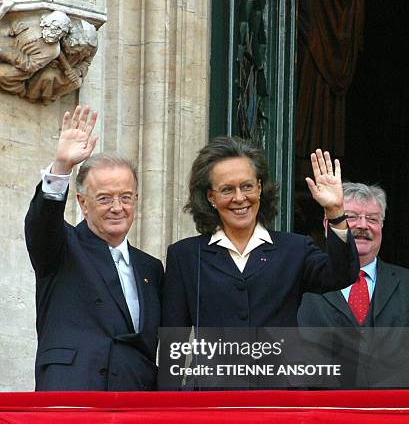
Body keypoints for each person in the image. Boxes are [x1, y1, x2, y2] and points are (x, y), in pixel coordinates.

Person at [25, 106, 163, 391]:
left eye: (126, 197)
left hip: (134, 400)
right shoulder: (61, 247)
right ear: (83, 203)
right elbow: (42, 222)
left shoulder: (151, 267)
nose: (117, 207)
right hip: (72, 394)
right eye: (104, 198)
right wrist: (61, 166)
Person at [162, 136, 358, 330]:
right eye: (227, 190)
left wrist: (335, 211)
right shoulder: (185, 256)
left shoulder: (295, 249)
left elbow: (341, 275)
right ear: (210, 197)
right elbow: (173, 342)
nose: (239, 198)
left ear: (260, 187)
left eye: (247, 186)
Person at [298, 182, 409, 387]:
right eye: (351, 217)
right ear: (328, 224)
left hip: (394, 413)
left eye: (373, 219)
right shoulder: (301, 283)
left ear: (382, 226)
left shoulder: (405, 283)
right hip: (324, 411)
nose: (363, 226)